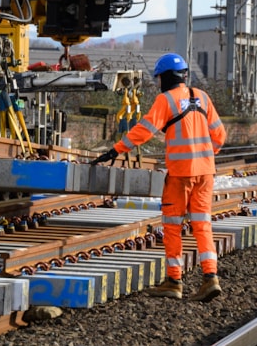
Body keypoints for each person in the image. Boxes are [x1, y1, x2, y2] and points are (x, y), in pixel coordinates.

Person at [92, 53, 226, 302]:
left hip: (180, 175)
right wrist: (205, 156)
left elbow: (144, 130)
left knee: (173, 225)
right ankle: (210, 278)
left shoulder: (167, 100)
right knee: (203, 225)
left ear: (165, 77)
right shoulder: (203, 98)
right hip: (206, 172)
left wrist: (116, 149)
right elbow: (219, 136)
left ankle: (174, 281)